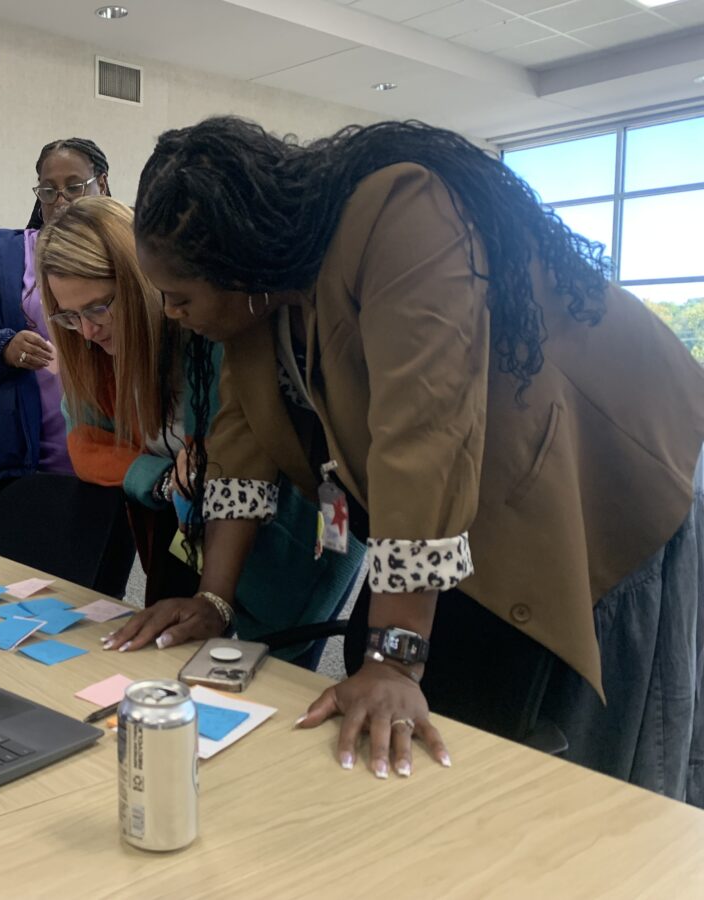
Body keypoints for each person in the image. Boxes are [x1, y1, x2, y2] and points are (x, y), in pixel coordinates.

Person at [112, 115, 704, 804]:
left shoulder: (401, 210)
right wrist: (213, 600)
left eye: (180, 297)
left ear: (237, 261)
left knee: (575, 762)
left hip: (606, 483)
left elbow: (423, 436)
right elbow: (240, 454)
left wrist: (395, 657)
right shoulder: (259, 306)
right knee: (420, 706)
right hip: (458, 509)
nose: (173, 314)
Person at [38, 196, 364, 639]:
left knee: (280, 664)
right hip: (198, 538)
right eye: (71, 317)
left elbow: (240, 462)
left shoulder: (219, 332)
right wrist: (164, 479)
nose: (89, 330)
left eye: (99, 307)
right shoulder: (95, 351)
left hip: (301, 538)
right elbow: (85, 445)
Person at [0, 139, 111, 504]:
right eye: (49, 190)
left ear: (103, 183)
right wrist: (3, 348)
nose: (61, 200)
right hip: (25, 464)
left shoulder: (126, 250)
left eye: (74, 187)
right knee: (15, 561)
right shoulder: (6, 259)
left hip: (115, 459)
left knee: (99, 559)